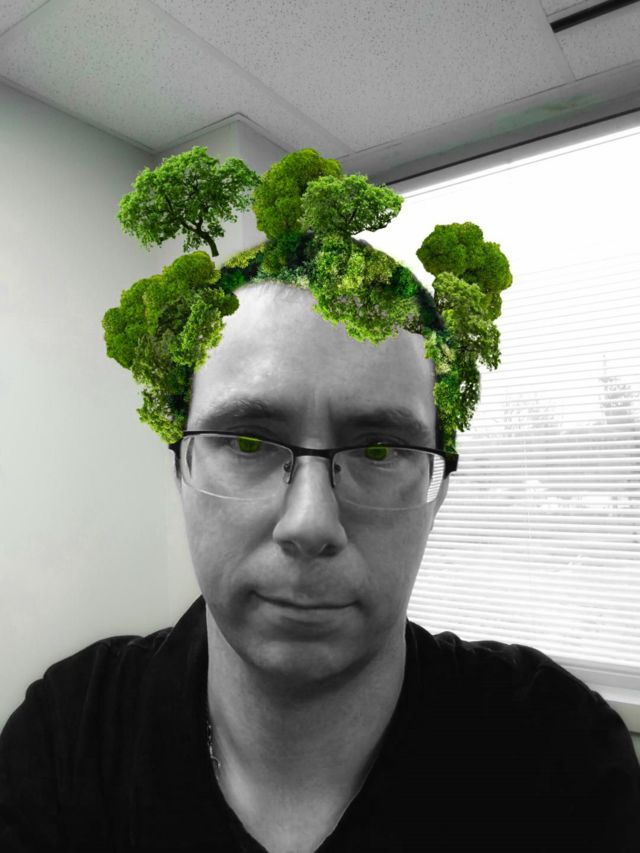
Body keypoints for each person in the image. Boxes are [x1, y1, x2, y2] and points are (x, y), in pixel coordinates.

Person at [2, 147, 639, 851]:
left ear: (436, 495)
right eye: (248, 442)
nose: (309, 523)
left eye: (379, 451)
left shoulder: (560, 754)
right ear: (181, 469)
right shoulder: (65, 742)